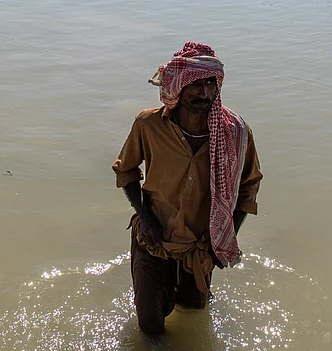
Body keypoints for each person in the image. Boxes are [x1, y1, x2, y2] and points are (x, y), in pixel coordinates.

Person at [112, 41, 263, 336]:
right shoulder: (149, 125)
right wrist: (145, 216)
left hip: (201, 248)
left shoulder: (234, 133)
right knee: (150, 327)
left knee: (194, 314)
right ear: (178, 87)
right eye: (196, 85)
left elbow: (249, 187)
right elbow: (126, 171)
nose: (204, 93)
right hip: (153, 241)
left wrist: (224, 238)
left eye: (210, 84)